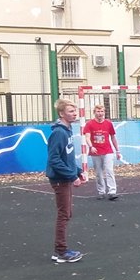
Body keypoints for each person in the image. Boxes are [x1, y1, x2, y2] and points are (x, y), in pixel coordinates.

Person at [46, 98, 86, 263]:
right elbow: (54, 159)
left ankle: (60, 250)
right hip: (60, 179)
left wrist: (78, 171)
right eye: (71, 111)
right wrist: (72, 176)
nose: (74, 113)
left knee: (66, 213)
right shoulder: (59, 133)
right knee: (64, 214)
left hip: (65, 177)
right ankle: (60, 251)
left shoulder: (67, 131)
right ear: (62, 114)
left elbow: (67, 157)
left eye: (75, 110)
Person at [82, 104, 121, 200]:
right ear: (94, 113)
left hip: (107, 151)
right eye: (98, 111)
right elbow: (87, 137)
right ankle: (101, 191)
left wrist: (117, 150)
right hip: (95, 151)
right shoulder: (89, 124)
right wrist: (91, 146)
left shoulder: (108, 123)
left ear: (104, 112)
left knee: (109, 170)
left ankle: (112, 191)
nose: (100, 113)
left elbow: (113, 137)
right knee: (98, 172)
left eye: (102, 111)